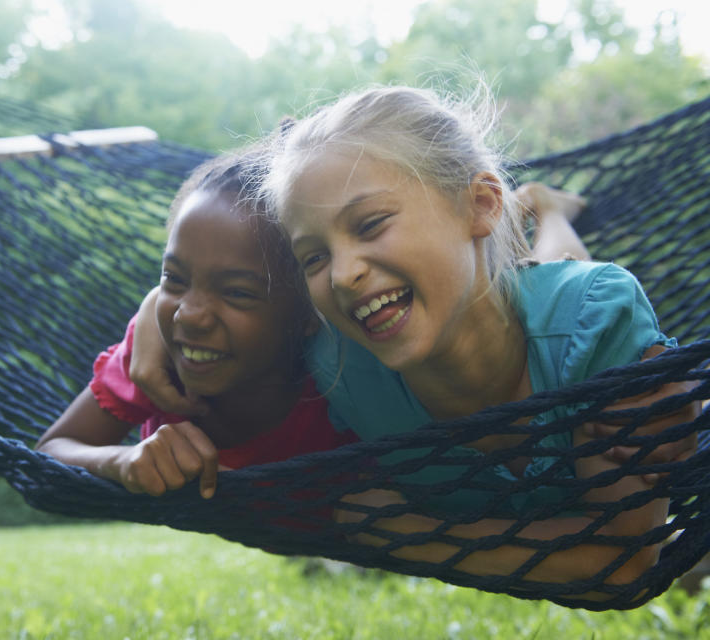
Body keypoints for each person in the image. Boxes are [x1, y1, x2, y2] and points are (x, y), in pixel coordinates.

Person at [127, 86, 700, 601]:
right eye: (314, 257)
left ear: (479, 204)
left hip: (563, 311)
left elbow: (622, 563)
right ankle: (539, 215)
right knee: (513, 289)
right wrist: (154, 313)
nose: (345, 273)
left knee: (556, 285)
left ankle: (548, 211)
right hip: (489, 302)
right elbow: (229, 280)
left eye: (371, 223)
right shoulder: (337, 361)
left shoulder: (599, 322)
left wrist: (404, 533)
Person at [35, 148, 357, 499]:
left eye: (236, 292)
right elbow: (49, 454)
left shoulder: (346, 369)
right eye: (174, 279)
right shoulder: (156, 358)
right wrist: (121, 460)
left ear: (310, 310)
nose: (188, 315)